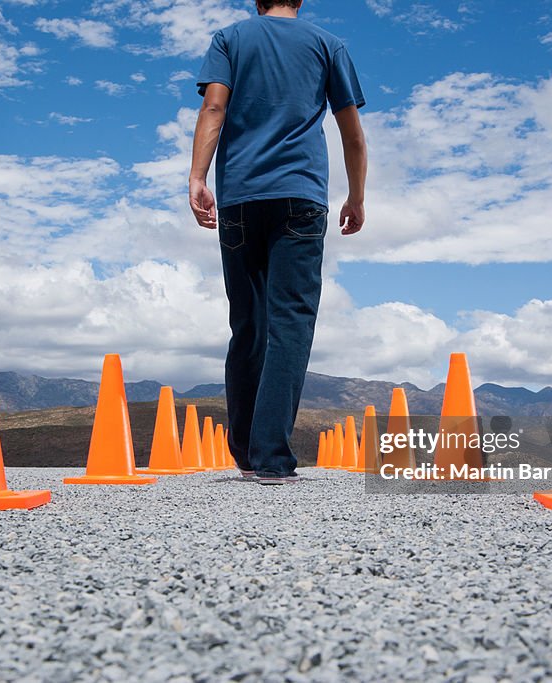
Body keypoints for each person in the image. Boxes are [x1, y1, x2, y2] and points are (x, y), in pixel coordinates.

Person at [189, 0, 367, 485]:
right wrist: (356, 196)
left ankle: (245, 454)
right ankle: (271, 458)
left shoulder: (229, 39)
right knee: (290, 323)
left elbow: (214, 106)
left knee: (247, 324)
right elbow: (351, 132)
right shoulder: (329, 45)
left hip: (240, 197)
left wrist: (197, 178)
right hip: (302, 198)